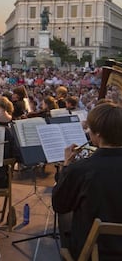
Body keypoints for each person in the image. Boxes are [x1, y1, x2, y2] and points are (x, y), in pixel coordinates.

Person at [52, 102, 122, 260]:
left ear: (97, 135)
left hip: (94, 251)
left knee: (65, 216)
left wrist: (66, 167)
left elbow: (59, 205)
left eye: (90, 129)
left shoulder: (80, 169)